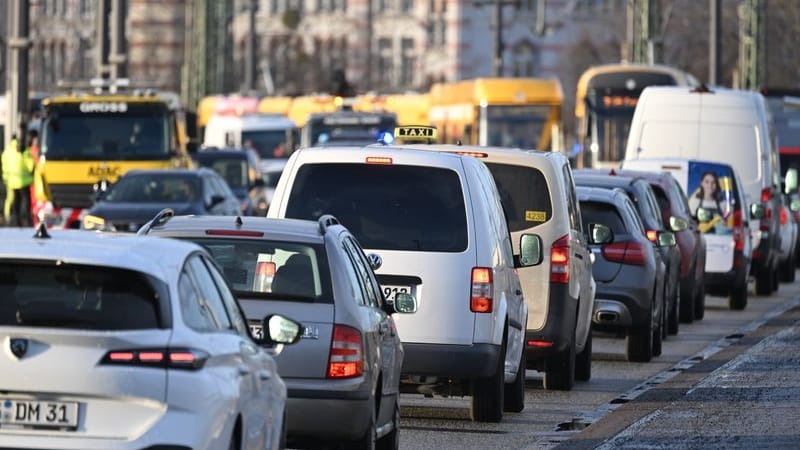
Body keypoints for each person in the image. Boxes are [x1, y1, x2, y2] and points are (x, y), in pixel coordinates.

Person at [2, 130, 35, 226]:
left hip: (11, 181)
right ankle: (25, 220)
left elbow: (4, 164)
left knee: (13, 201)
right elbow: (30, 166)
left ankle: (12, 219)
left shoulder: (7, 151)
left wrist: (6, 177)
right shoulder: (24, 151)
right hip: (24, 182)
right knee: (25, 202)